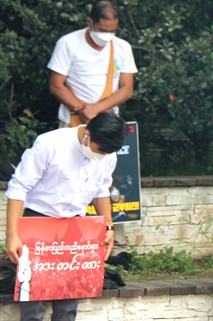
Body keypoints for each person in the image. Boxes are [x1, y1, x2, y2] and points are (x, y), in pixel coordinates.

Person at [4, 112, 127, 321]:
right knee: (34, 298)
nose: (102, 156)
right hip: (38, 221)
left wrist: (108, 227)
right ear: (87, 134)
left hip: (75, 226)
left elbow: (101, 191)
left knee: (69, 298)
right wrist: (12, 234)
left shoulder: (108, 155)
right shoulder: (49, 144)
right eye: (99, 151)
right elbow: (18, 188)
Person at [47, 0, 137, 259]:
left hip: (107, 123)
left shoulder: (121, 47)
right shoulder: (68, 43)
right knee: (66, 178)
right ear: (90, 22)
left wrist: (97, 109)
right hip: (73, 123)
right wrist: (80, 107)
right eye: (102, 30)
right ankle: (64, 241)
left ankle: (114, 244)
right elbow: (56, 84)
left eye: (113, 31)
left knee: (106, 183)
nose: (107, 36)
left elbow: (126, 88)